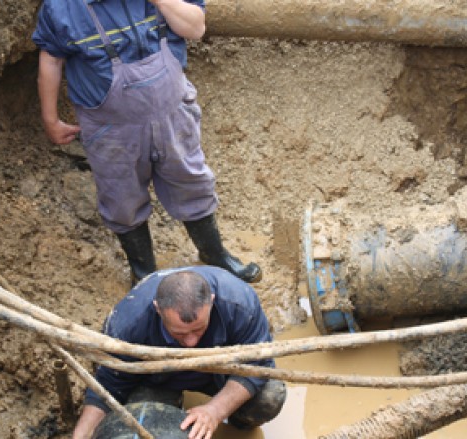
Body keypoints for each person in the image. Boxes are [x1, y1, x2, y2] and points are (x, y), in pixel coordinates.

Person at [32, 0, 262, 287]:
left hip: (172, 114)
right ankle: (144, 274)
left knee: (191, 181)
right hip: (111, 129)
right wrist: (51, 120)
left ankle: (214, 253)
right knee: (122, 198)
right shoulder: (62, 8)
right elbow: (51, 60)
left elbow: (195, 28)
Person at [72, 267, 287, 439]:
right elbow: (108, 386)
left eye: (198, 329)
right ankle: (171, 407)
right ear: (157, 309)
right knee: (140, 422)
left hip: (220, 373)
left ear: (211, 301)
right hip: (157, 379)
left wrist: (215, 411)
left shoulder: (240, 303)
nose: (191, 342)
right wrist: (82, 434)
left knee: (269, 396)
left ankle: (237, 420)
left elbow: (258, 365)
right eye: (179, 334)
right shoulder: (128, 323)